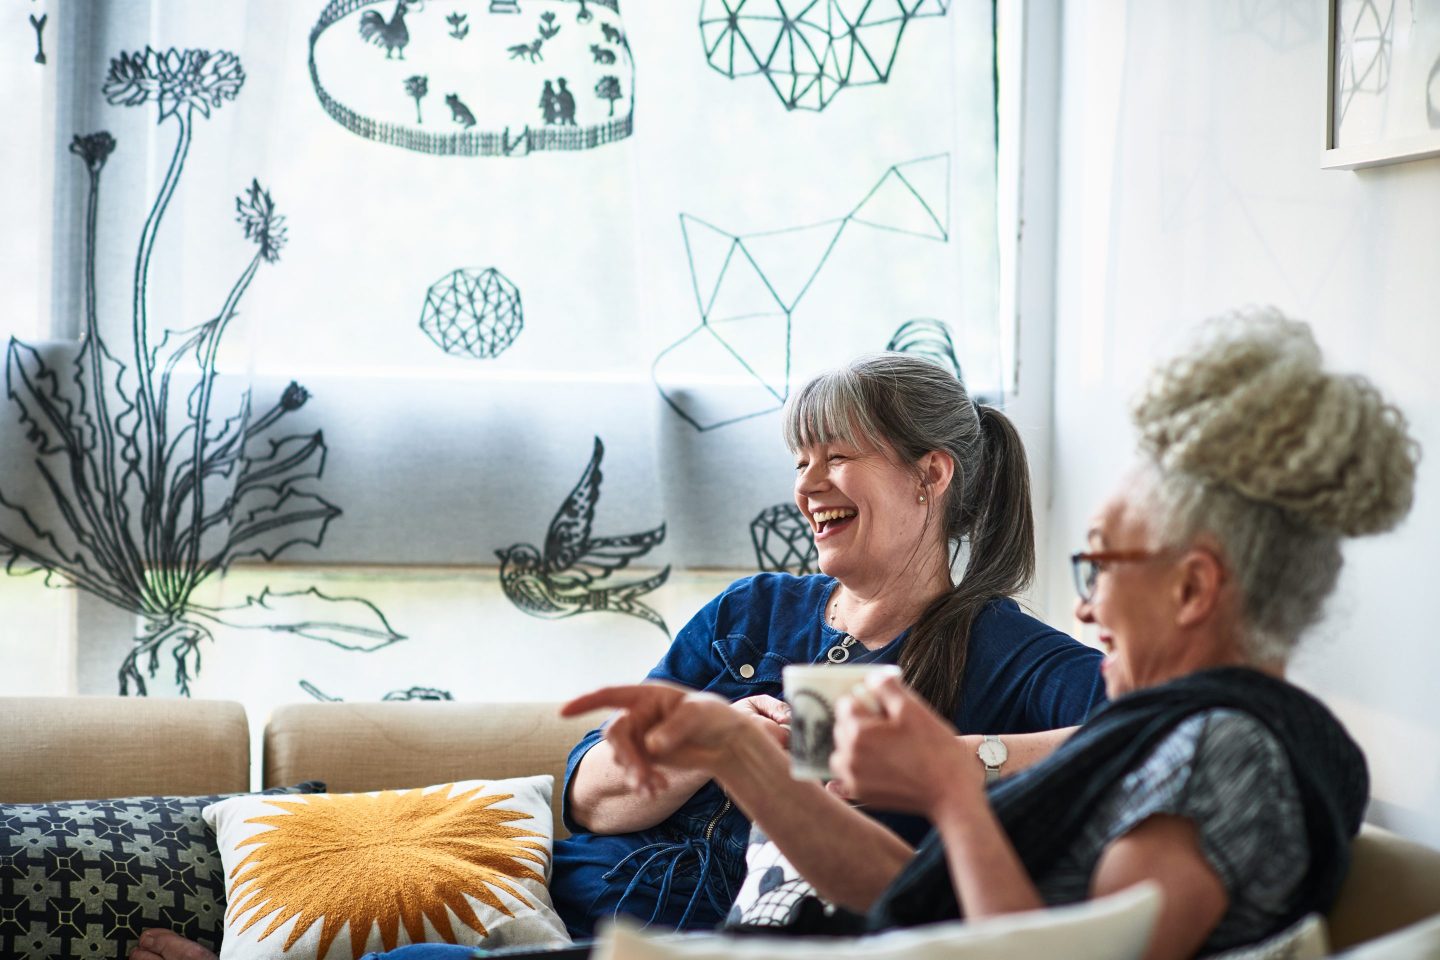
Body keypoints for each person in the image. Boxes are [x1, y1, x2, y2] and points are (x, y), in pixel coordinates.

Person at [128, 353, 1105, 960]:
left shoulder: (1011, 656)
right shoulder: (755, 614)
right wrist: (704, 745)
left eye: (836, 455)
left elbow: (1145, 733)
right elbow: (589, 794)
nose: (809, 484)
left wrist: (950, 755)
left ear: (931, 474)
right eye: (799, 460)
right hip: (569, 915)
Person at [565, 310, 1417, 960]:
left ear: (1192, 588)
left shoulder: (1218, 756)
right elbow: (922, 900)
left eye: (1101, 570)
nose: (1084, 609)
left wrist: (952, 788)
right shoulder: (1169, 739)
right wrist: (740, 754)